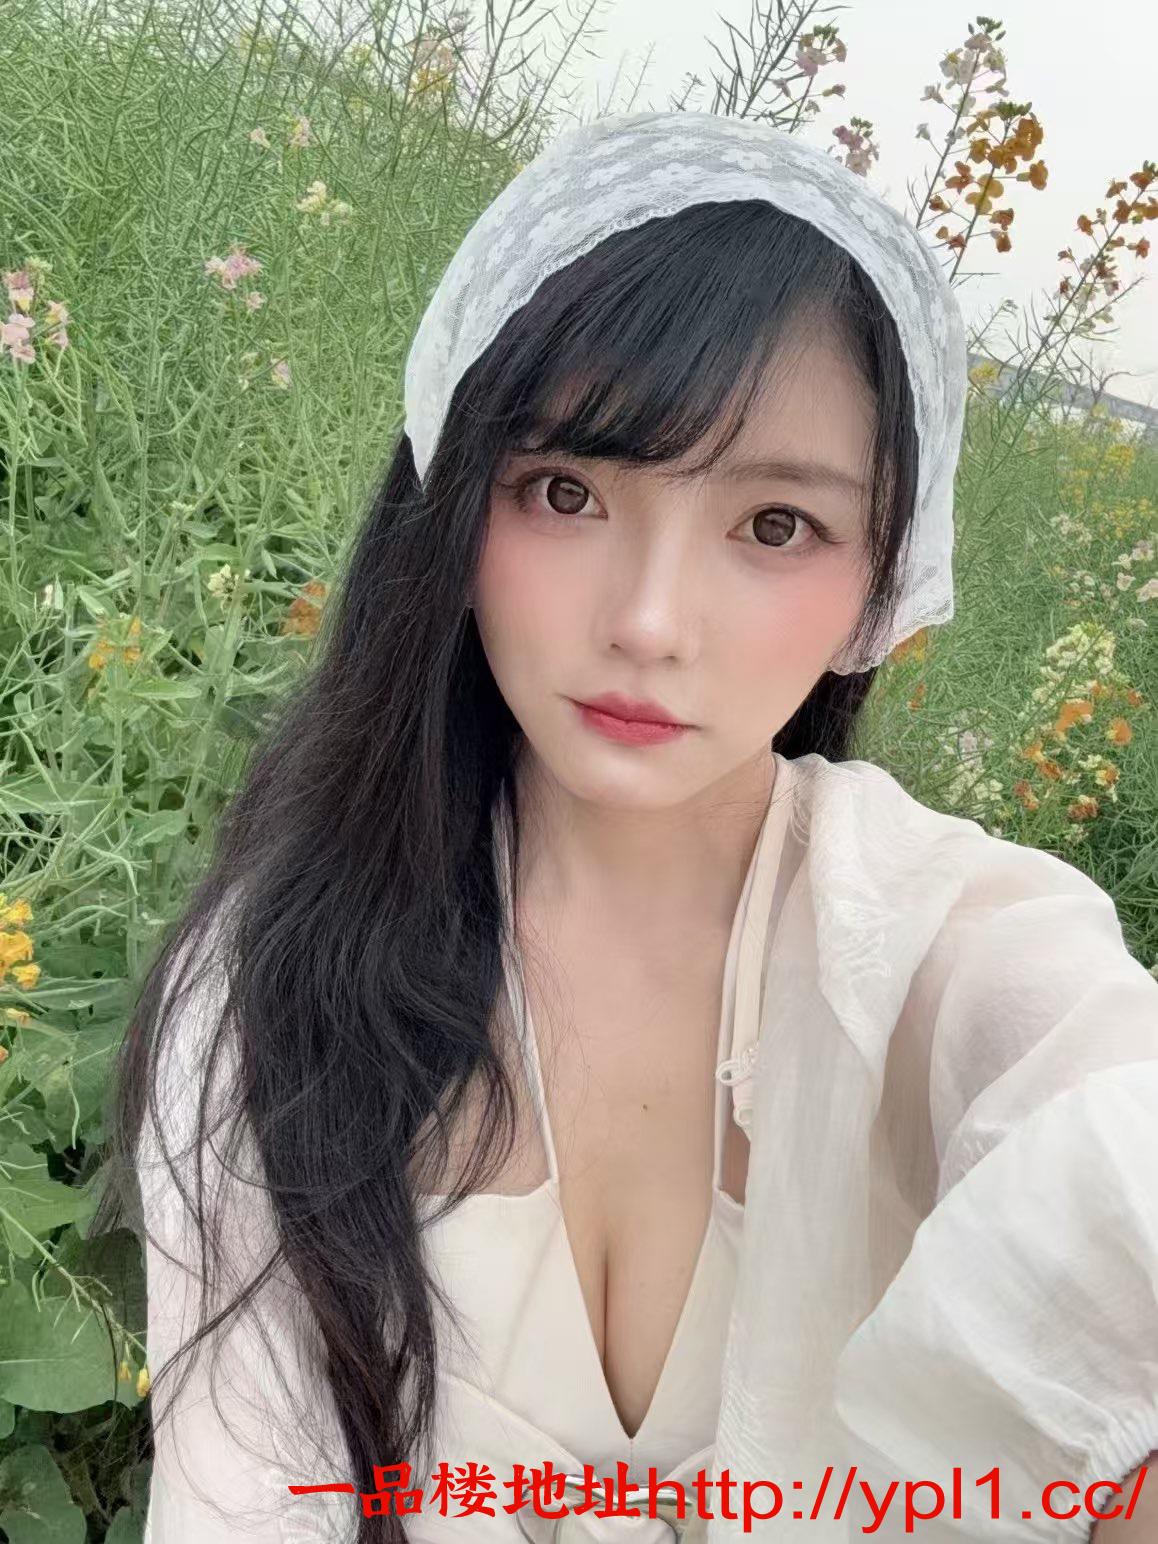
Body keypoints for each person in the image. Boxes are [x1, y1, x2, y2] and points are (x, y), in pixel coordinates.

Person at [97, 111, 1158, 1543]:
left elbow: (1115, 1155)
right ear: (449, 503)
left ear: (883, 577)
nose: (651, 622)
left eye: (774, 525)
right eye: (566, 492)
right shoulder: (277, 984)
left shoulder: (950, 945)